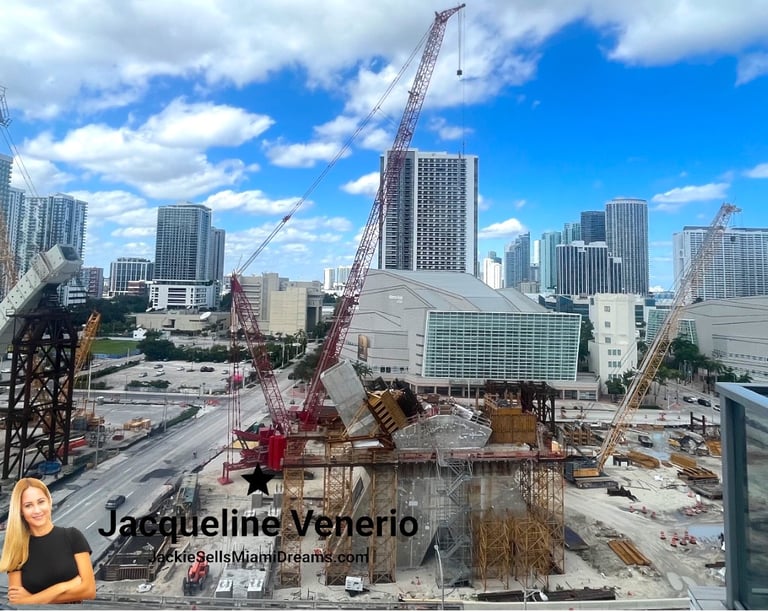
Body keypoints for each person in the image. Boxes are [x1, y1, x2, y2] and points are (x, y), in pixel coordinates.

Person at [0, 478, 96, 605]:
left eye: (41, 502)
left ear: (49, 502)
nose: (37, 510)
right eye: (28, 505)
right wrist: (62, 587)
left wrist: (31, 600)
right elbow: (17, 602)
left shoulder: (72, 536)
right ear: (21, 511)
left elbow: (89, 591)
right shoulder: (18, 549)